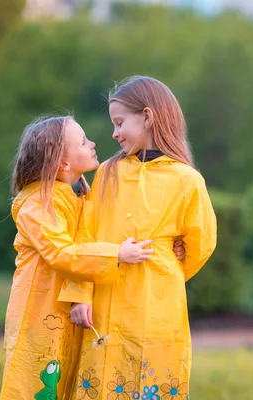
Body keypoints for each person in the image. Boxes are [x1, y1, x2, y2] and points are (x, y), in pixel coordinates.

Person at [62, 76, 217, 400]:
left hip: (158, 301)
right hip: (105, 299)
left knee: (153, 378)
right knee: (103, 378)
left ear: (147, 117)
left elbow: (202, 242)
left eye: (120, 122)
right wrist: (81, 294)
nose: (114, 132)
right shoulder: (107, 173)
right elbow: (85, 234)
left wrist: (168, 270)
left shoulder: (186, 180)